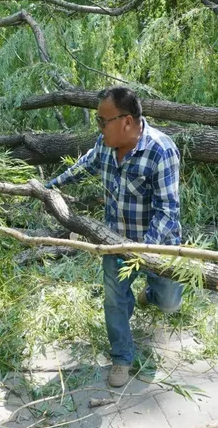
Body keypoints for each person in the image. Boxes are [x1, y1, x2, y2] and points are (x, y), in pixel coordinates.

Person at [44, 86, 183, 387]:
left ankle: (152, 294)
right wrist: (50, 187)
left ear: (127, 122)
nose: (99, 127)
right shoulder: (105, 145)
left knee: (170, 302)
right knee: (115, 299)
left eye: (102, 121)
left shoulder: (161, 150)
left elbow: (168, 210)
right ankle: (122, 356)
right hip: (114, 241)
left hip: (158, 245)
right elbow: (85, 166)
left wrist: (143, 252)